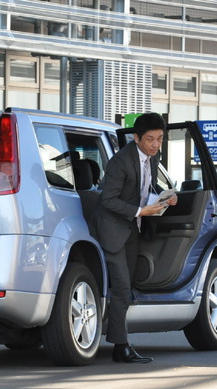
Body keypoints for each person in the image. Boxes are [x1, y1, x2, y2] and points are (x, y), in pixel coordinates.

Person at [89, 112, 177, 363]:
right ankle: (121, 347)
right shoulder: (120, 161)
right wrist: (141, 211)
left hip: (132, 229)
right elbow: (108, 199)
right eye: (150, 139)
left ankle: (120, 344)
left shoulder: (151, 157)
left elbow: (145, 187)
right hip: (112, 229)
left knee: (126, 287)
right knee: (122, 288)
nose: (155, 144)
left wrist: (166, 197)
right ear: (136, 137)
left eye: (160, 139)